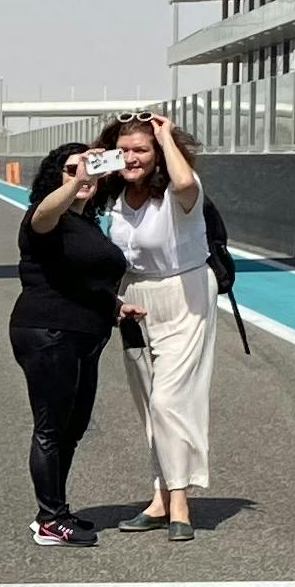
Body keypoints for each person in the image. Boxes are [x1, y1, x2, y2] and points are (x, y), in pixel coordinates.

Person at [97, 111, 216, 541]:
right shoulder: (111, 197)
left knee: (169, 401)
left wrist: (165, 136)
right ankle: (160, 497)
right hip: (134, 300)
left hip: (184, 295)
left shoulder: (180, 192)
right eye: (123, 151)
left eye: (141, 150)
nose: (131, 158)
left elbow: (183, 182)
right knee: (150, 403)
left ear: (158, 153)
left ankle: (179, 501)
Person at [12, 133, 133, 545]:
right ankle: (49, 519)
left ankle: (56, 511)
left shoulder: (87, 226)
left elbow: (86, 279)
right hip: (48, 331)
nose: (84, 175)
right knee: (51, 427)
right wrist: (76, 180)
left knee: (72, 429)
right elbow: (42, 216)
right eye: (71, 168)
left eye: (91, 169)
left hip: (85, 335)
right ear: (55, 177)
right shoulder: (46, 217)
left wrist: (116, 307)